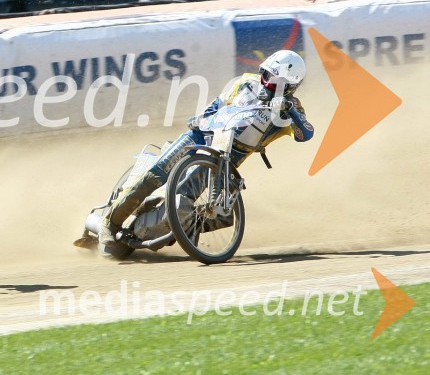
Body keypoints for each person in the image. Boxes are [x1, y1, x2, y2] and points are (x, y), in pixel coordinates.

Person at [98, 50, 315, 258]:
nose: (266, 81)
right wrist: (200, 118)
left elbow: (305, 134)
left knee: (190, 199)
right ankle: (110, 223)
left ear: (290, 85)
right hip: (200, 135)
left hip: (227, 157)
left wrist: (290, 110)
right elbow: (218, 103)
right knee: (155, 174)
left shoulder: (291, 109)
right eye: (267, 74)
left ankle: (163, 228)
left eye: (275, 79)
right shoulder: (246, 82)